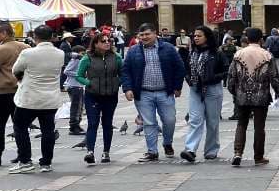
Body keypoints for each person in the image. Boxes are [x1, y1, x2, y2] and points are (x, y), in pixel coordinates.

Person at [121, 23, 186, 163]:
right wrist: (127, 88)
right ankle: (152, 151)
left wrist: (177, 86)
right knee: (149, 123)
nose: (144, 37)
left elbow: (180, 67)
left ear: (155, 33)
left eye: (147, 34)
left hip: (165, 92)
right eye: (141, 35)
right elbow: (125, 71)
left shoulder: (168, 48)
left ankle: (167, 143)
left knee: (170, 120)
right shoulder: (133, 51)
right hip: (143, 93)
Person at [10, 25, 64, 173]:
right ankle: (46, 163)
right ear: (52, 36)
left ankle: (25, 161)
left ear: (35, 37)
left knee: (20, 128)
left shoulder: (27, 53)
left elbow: (15, 70)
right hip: (50, 99)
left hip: (29, 98)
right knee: (48, 130)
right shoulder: (60, 53)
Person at [226, 27, 279, 166]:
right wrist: (278, 91)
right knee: (259, 126)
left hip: (242, 95)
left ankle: (237, 153)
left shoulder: (238, 54)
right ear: (261, 39)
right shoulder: (267, 55)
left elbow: (231, 76)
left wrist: (234, 90)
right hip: (261, 95)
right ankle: (258, 156)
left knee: (241, 124)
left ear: (247, 39)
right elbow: (274, 76)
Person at [180, 26, 228, 163]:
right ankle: (190, 150)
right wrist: (189, 79)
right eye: (194, 36)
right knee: (195, 120)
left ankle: (211, 150)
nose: (195, 38)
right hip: (196, 89)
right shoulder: (193, 53)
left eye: (199, 36)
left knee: (213, 122)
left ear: (207, 37)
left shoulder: (217, 53)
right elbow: (187, 69)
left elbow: (226, 70)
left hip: (213, 89)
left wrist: (213, 77)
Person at [0, 24, 29, 166]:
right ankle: (23, 155)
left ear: (4, 33)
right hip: (20, 89)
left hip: (2, 91)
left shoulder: (1, 49)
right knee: (20, 125)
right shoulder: (25, 47)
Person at [76, 31, 122, 164]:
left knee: (107, 124)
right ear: (95, 44)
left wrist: (117, 83)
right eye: (104, 41)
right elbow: (79, 76)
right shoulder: (87, 58)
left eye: (109, 41)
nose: (107, 43)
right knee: (93, 123)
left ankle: (106, 153)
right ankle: (90, 152)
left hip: (110, 95)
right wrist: (89, 83)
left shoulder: (116, 57)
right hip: (93, 95)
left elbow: (123, 73)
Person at [63, 45, 86, 135]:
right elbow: (66, 71)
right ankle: (73, 126)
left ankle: (77, 124)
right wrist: (78, 74)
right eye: (82, 53)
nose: (83, 55)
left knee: (80, 106)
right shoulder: (76, 60)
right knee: (76, 107)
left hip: (78, 86)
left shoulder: (80, 60)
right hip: (74, 86)